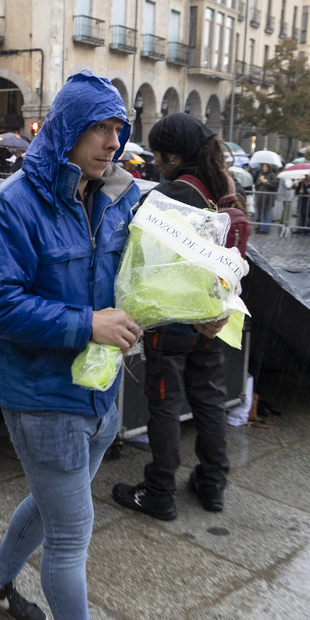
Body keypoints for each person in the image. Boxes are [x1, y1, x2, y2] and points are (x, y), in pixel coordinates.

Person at [0, 72, 147, 620]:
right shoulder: (10, 207)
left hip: (100, 393)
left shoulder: (111, 197)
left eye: (118, 129)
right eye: (100, 127)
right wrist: (86, 324)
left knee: (50, 505)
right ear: (68, 130)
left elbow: (125, 286)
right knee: (71, 532)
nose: (112, 141)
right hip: (43, 397)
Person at [112, 113, 234, 526]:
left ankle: (160, 490)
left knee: (164, 404)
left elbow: (137, 250)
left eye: (158, 156)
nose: (155, 164)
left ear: (173, 155)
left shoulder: (170, 195)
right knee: (209, 398)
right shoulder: (225, 190)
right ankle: (213, 481)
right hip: (213, 320)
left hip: (172, 322)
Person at [253, 163, 278, 232]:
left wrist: (266, 182)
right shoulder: (260, 174)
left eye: (265, 167)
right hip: (260, 198)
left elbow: (274, 186)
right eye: (263, 166)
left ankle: (265, 228)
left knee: (266, 214)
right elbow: (256, 187)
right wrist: (260, 182)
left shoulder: (272, 175)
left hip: (268, 199)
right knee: (260, 213)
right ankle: (260, 226)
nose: (264, 168)